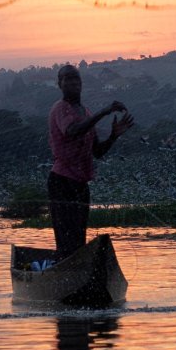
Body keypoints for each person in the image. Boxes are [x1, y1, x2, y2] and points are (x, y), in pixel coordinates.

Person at [46, 64, 133, 256]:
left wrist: (113, 136)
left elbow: (98, 152)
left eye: (76, 78)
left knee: (78, 238)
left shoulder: (85, 113)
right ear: (59, 84)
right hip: (62, 181)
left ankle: (76, 278)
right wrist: (104, 112)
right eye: (67, 79)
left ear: (81, 83)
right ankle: (64, 276)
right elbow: (72, 131)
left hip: (80, 184)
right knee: (66, 238)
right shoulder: (60, 108)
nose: (72, 82)